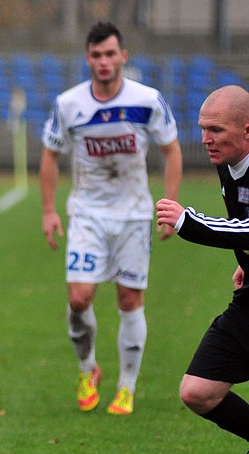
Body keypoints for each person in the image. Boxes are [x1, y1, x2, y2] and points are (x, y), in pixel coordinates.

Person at [40, 21, 182, 415]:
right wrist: (49, 210)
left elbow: (172, 150)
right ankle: (88, 369)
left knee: (129, 299)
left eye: (110, 54)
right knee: (79, 297)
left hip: (134, 216)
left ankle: (127, 386)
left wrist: (171, 207)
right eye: (96, 55)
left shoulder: (148, 100)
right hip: (87, 214)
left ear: (123, 57)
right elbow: (50, 156)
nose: (103, 61)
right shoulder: (69, 104)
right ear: (88, 58)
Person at [156, 85, 249, 454]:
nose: (205, 139)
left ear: (248, 130)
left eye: (216, 130)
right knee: (198, 392)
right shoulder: (227, 161)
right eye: (202, 129)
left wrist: (187, 222)